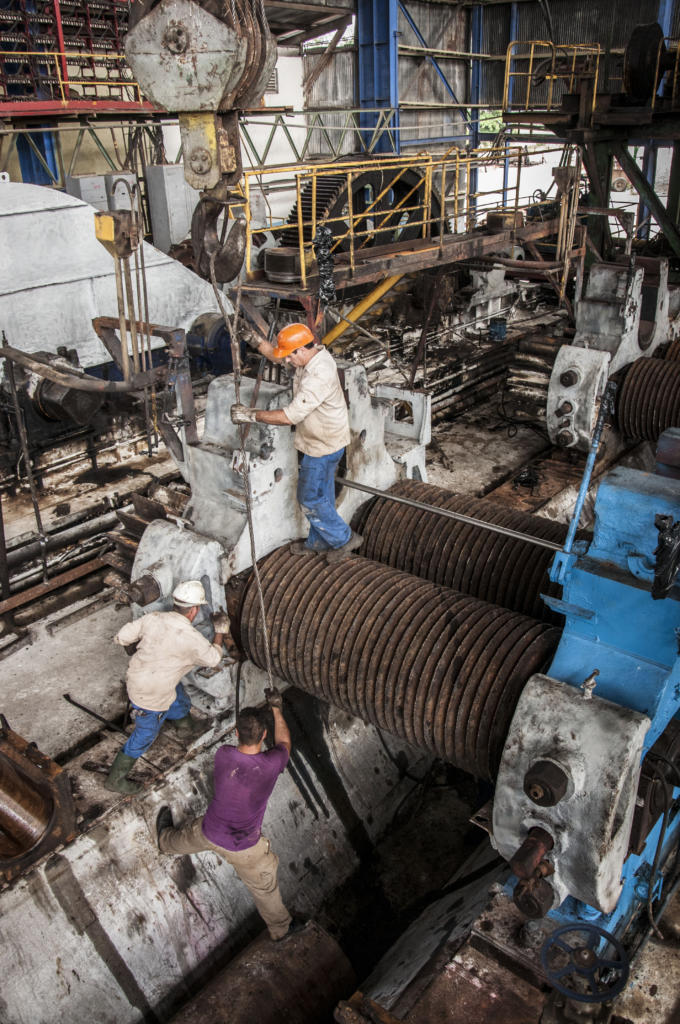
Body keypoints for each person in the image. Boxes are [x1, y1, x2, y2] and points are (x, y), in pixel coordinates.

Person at [156, 688, 303, 941]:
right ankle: (281, 930)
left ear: (235, 734)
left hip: (210, 830)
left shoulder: (224, 754)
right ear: (264, 735)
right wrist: (277, 708)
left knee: (183, 839)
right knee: (265, 888)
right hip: (244, 846)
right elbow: (285, 744)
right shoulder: (270, 765)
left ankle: (164, 842)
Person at [230, 322, 362, 559]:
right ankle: (318, 542)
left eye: (291, 357)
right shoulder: (308, 357)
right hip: (327, 439)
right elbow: (278, 356)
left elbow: (290, 416)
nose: (287, 362)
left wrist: (250, 414)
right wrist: (255, 340)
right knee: (323, 495)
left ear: (301, 350)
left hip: (322, 446)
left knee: (309, 498)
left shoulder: (319, 374)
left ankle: (344, 538)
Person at [105, 579, 229, 795]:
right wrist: (220, 631)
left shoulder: (153, 618)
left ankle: (185, 726)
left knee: (177, 693)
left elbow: (121, 637)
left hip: (138, 677)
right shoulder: (191, 638)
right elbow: (212, 659)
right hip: (150, 695)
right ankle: (115, 780)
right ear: (194, 610)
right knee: (145, 734)